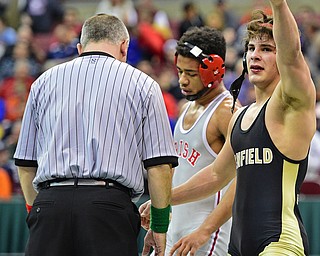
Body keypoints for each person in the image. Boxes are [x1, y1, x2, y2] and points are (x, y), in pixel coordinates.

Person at [13, 14, 178, 256]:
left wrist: (36, 212)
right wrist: (160, 227)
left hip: (50, 205)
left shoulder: (42, 82)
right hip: (107, 207)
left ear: (80, 48)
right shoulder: (143, 84)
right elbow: (160, 165)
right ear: (124, 46)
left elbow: (26, 164)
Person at [169, 0, 316, 255]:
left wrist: (279, 5)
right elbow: (216, 175)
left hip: (279, 243)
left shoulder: (291, 105)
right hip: (237, 247)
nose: (255, 55)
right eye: (251, 48)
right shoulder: (240, 116)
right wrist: (164, 199)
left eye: (267, 49)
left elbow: (292, 54)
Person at [140, 26, 240, 255]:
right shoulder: (186, 108)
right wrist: (160, 217)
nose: (182, 80)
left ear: (214, 71)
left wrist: (204, 231)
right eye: (179, 71)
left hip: (208, 235)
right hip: (177, 231)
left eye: (191, 74)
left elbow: (242, 180)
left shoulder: (227, 112)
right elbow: (178, 173)